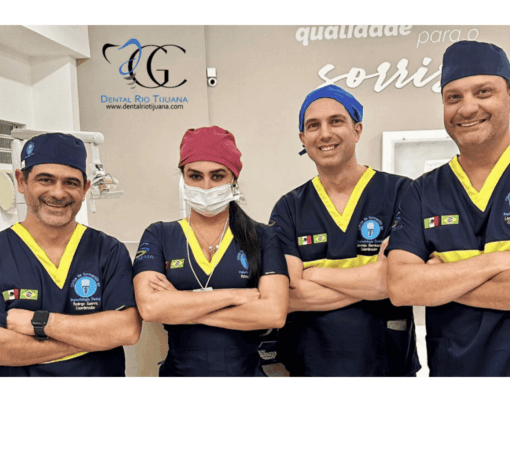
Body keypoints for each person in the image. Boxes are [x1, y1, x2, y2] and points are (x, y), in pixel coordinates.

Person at [386, 40, 510, 377]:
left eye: (483, 92)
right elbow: (401, 287)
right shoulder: (422, 191)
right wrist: (498, 261)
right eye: (454, 97)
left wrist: (439, 284)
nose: (467, 108)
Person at [269, 84, 420, 376]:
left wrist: (315, 274)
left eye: (336, 121)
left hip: (387, 369)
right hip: (310, 370)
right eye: (313, 125)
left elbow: (399, 282)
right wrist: (374, 281)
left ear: (357, 130)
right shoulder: (289, 208)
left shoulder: (402, 193)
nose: (324, 134)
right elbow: (288, 294)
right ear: (303, 138)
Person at [133, 126, 289, 377]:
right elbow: (151, 308)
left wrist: (180, 305)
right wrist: (235, 295)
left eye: (217, 176)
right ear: (183, 178)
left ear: (234, 179)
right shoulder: (159, 235)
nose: (206, 187)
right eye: (195, 176)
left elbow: (274, 314)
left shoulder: (262, 236)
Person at [0, 133, 141, 377]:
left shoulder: (108, 251)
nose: (58, 193)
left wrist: (40, 323)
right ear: (21, 181)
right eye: (45, 180)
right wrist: (93, 338)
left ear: (85, 189)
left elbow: (126, 330)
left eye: (71, 183)